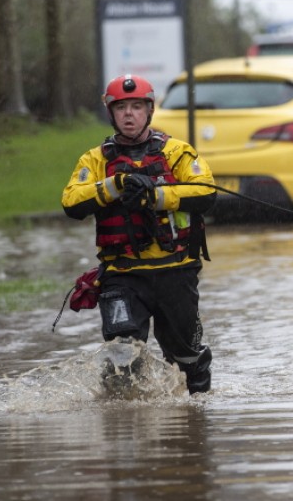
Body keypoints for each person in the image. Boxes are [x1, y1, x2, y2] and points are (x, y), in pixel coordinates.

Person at [62, 74, 218, 394]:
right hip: (123, 276)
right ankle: (127, 427)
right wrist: (115, 186)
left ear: (149, 111)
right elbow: (71, 203)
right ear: (111, 113)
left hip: (175, 271)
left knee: (186, 356)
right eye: (121, 108)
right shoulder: (95, 160)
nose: (129, 114)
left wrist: (157, 195)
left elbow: (205, 194)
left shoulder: (176, 151)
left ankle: (197, 417)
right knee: (122, 360)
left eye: (136, 107)